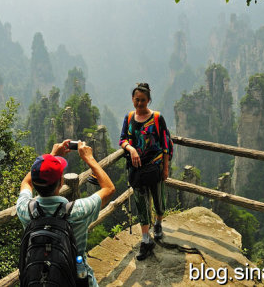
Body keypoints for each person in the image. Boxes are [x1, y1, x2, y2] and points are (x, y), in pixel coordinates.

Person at [17, 139, 115, 287]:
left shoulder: (25, 210)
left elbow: (26, 182)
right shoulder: (78, 210)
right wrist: (89, 158)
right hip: (77, 279)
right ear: (61, 181)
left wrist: (50, 157)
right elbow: (109, 189)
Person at [119, 82, 171, 261]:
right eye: (136, 99)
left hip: (155, 168)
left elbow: (165, 144)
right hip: (136, 170)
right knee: (141, 205)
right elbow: (122, 140)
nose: (139, 103)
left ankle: (158, 223)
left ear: (149, 100)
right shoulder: (129, 117)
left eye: (142, 100)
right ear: (132, 99)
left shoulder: (157, 118)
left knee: (158, 200)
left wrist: (165, 168)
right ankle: (145, 240)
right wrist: (131, 149)